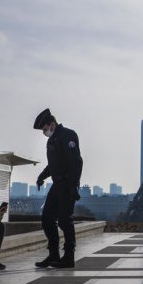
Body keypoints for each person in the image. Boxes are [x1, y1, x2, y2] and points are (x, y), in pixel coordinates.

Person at [33, 108, 83, 268]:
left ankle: (69, 256)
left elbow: (76, 162)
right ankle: (53, 255)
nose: (44, 132)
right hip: (57, 184)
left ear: (52, 124)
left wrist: (74, 186)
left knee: (64, 220)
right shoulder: (52, 140)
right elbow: (53, 165)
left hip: (67, 183)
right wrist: (42, 176)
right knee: (47, 219)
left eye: (45, 129)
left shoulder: (67, 135)